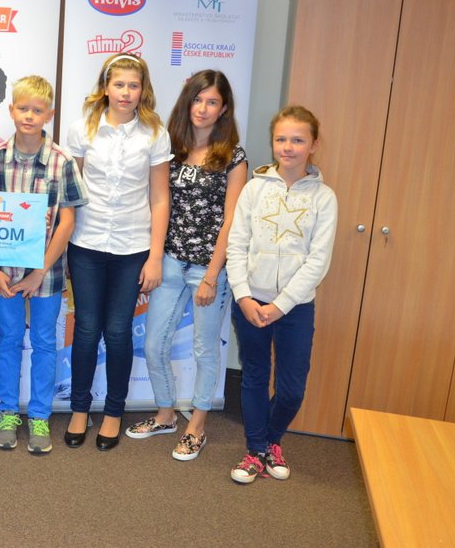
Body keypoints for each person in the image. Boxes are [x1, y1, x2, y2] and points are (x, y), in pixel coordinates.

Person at [129, 70, 247, 460]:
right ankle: (165, 414)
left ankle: (197, 426)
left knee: (204, 349)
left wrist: (212, 276)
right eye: (198, 99)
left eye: (212, 102)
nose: (203, 108)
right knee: (153, 344)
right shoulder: (171, 147)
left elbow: (231, 221)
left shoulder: (233, 156)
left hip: (208, 269)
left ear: (224, 108)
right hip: (169, 261)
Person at [64, 54, 170, 451]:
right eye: (119, 84)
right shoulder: (82, 129)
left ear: (143, 90)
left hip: (133, 248)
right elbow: (70, 192)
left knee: (119, 331)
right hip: (86, 245)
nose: (126, 92)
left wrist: (155, 256)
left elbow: (160, 198)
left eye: (134, 85)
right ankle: (79, 409)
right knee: (87, 330)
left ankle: (113, 412)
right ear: (105, 87)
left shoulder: (154, 133)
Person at [225, 105, 337, 484]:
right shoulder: (254, 189)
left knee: (291, 389)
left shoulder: (324, 198)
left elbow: (318, 261)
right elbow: (236, 245)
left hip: (295, 308)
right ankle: (255, 449)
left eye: (298, 140)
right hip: (250, 302)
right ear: (273, 142)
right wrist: (243, 296)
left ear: (313, 145)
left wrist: (280, 305)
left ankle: (271, 440)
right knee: (255, 377)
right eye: (281, 139)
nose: (288, 147)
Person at [0, 76, 88, 454]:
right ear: (11, 110)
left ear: (49, 115)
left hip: (46, 274)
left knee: (45, 342)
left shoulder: (62, 162)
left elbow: (67, 223)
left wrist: (40, 271)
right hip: (5, 273)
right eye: (22, 108)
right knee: (9, 339)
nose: (29, 116)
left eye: (37, 110)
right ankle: (8, 413)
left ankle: (40, 416)